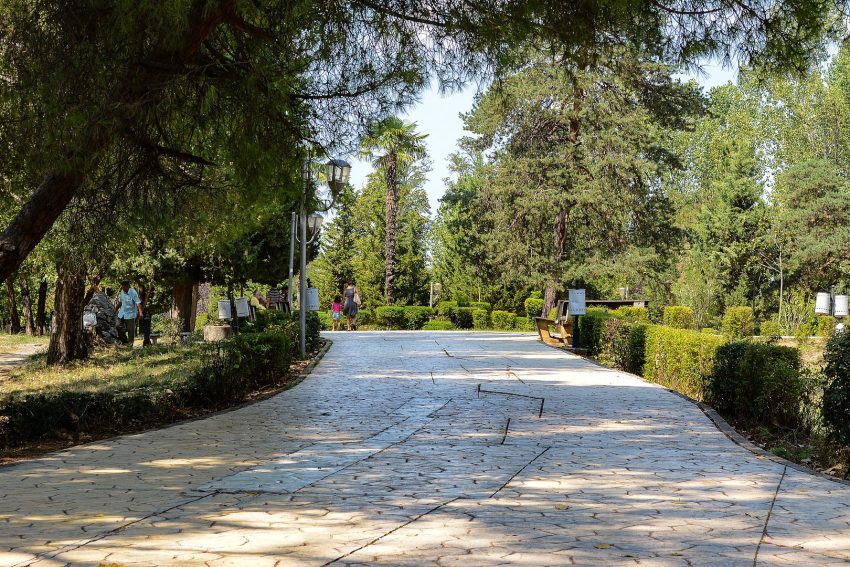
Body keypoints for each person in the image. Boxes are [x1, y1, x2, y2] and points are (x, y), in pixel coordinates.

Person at [114, 279, 143, 346]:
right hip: (122, 313)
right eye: (122, 287)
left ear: (128, 286)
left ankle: (130, 343)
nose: (123, 288)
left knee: (130, 330)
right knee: (118, 326)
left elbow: (138, 303)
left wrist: (140, 312)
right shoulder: (122, 292)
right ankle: (124, 341)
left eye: (124, 287)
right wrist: (115, 310)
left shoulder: (133, 292)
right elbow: (120, 302)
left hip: (130, 314)